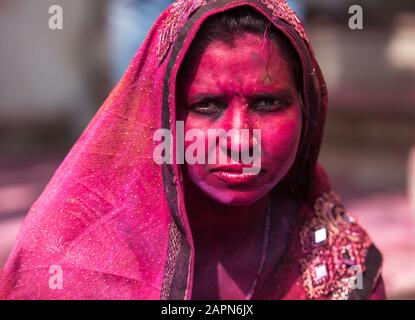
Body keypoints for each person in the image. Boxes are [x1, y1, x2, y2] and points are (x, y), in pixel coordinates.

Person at [0, 0, 385, 300]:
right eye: (206, 105)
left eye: (268, 103)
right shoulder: (72, 262)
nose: (239, 140)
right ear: (158, 116)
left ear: (308, 110)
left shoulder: (339, 263)